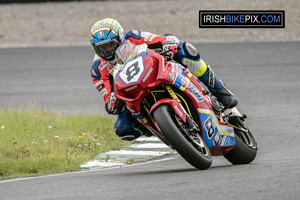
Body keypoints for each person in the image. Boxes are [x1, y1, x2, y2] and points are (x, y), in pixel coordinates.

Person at [90, 18, 238, 141]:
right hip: (131, 90)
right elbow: (107, 95)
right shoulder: (98, 69)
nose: (107, 51)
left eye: (110, 45)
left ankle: (220, 91)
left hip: (151, 72)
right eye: (101, 48)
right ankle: (168, 131)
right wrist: (111, 102)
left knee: (185, 49)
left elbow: (159, 40)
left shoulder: (133, 37)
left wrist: (168, 44)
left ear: (120, 38)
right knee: (123, 129)